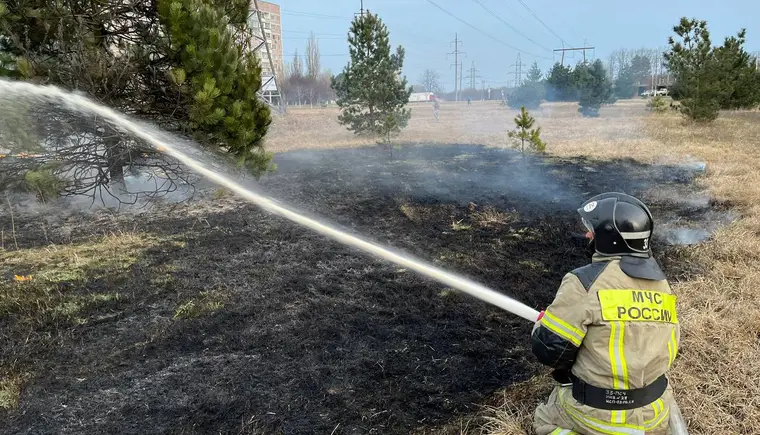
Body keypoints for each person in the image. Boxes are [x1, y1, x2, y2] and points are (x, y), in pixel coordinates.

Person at [531, 192, 680, 435]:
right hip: (655, 415)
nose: (588, 235)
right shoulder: (662, 285)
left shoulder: (584, 282)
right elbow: (670, 346)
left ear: (611, 238)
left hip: (599, 415)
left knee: (544, 421)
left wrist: (544, 325)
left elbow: (550, 352)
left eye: (593, 230)